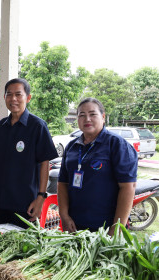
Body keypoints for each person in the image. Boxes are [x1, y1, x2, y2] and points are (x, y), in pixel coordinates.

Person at [57, 98, 137, 235]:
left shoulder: (117, 145)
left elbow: (128, 187)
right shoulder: (71, 147)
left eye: (93, 114)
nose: (87, 119)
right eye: (81, 115)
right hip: (75, 225)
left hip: (106, 227)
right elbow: (62, 183)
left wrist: (117, 228)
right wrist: (64, 216)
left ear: (103, 117)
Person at [0, 78, 58, 229]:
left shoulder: (38, 126)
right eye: (9, 94)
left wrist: (41, 198)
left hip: (25, 204)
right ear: (4, 97)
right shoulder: (2, 126)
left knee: (23, 249)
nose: (13, 99)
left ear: (28, 97)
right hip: (0, 202)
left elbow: (45, 164)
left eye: (18, 94)